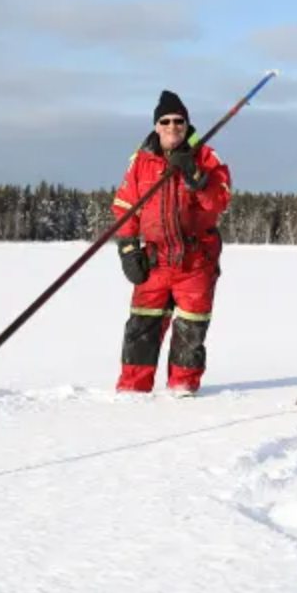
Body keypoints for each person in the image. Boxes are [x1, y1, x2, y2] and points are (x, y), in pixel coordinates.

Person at [112, 89, 232, 396]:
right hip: (154, 261)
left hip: (195, 261)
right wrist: (127, 249)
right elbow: (126, 208)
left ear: (187, 123)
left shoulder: (206, 157)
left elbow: (219, 202)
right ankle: (132, 392)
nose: (172, 126)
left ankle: (183, 390)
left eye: (178, 121)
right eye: (165, 121)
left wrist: (196, 177)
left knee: (190, 330)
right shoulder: (141, 162)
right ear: (156, 126)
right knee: (142, 328)